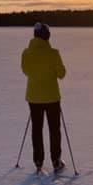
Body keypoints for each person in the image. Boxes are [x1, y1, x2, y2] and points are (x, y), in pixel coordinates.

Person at [21, 22, 66, 173]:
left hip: (34, 98)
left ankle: (38, 161)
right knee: (54, 129)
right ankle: (56, 160)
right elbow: (62, 74)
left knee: (36, 129)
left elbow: (26, 70)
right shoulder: (53, 53)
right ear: (47, 36)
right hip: (52, 97)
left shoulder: (26, 53)